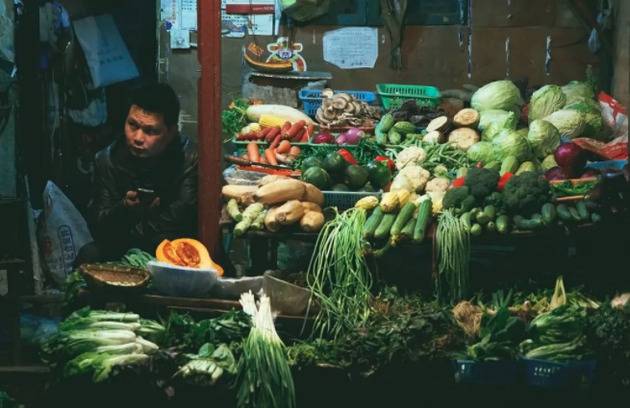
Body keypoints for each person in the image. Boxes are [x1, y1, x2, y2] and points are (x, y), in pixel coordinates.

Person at [77, 82, 198, 263]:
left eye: (151, 131)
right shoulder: (107, 159)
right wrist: (125, 209)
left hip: (174, 246)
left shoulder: (190, 158)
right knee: (89, 254)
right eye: (132, 125)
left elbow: (180, 219)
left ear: (171, 132)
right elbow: (97, 224)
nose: (138, 138)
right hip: (124, 243)